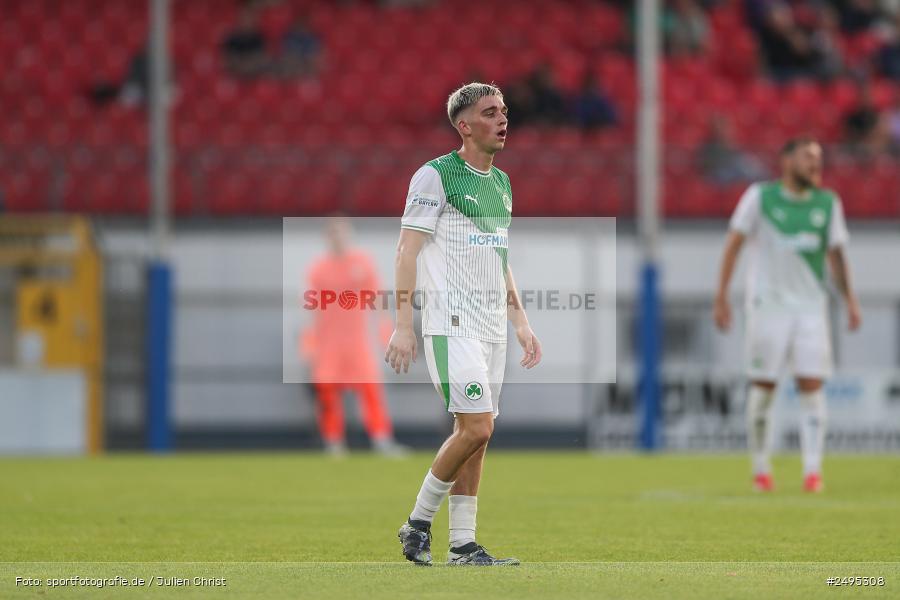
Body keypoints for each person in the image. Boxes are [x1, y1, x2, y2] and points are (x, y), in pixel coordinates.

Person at [386, 82, 541, 566]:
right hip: (451, 324)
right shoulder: (435, 176)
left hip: (492, 326)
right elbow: (406, 250)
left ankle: (463, 545)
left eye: (504, 111)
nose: (502, 119)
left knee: (478, 434)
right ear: (464, 125)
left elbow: (500, 258)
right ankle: (416, 522)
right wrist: (403, 325)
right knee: (476, 427)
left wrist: (521, 321)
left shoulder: (501, 182)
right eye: (490, 112)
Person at [713, 136, 862, 493]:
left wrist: (850, 300)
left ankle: (813, 472)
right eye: (808, 157)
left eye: (820, 158)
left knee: (812, 385)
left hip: (811, 309)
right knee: (764, 388)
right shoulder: (759, 198)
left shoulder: (828, 203)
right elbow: (733, 245)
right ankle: (761, 470)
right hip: (767, 307)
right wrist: (721, 296)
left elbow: (837, 255)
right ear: (786, 160)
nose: (816, 164)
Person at [303, 217, 408, 456]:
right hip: (328, 342)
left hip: (357, 340)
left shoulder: (362, 263)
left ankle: (381, 439)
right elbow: (311, 311)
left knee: (370, 390)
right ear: (327, 238)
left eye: (341, 233)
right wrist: (309, 345)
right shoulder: (319, 269)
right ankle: (333, 442)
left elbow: (378, 302)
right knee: (328, 392)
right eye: (333, 234)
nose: (338, 238)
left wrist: (385, 335)